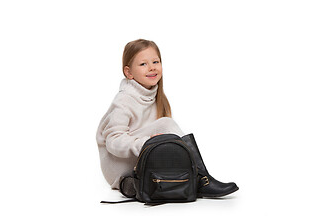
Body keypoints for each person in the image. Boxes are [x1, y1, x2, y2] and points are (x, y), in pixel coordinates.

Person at [96, 39, 238, 197]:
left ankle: (135, 184)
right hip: (117, 163)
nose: (151, 67)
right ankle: (200, 178)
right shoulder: (124, 100)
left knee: (168, 141)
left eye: (155, 61)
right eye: (143, 64)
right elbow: (113, 141)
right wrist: (145, 143)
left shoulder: (156, 97)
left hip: (140, 160)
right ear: (129, 72)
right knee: (166, 124)